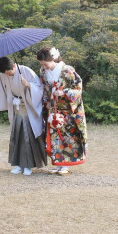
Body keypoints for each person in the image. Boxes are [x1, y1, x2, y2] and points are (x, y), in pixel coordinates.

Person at [37, 47, 87, 175]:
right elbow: (44, 89)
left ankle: (65, 165)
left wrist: (64, 92)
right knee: (55, 138)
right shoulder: (43, 72)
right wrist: (47, 102)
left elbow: (78, 89)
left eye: (45, 64)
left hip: (67, 110)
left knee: (67, 138)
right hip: (53, 110)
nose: (44, 67)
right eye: (42, 64)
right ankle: (59, 164)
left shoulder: (67, 70)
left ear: (53, 59)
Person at [0, 56, 47, 175]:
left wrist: (28, 85)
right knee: (16, 136)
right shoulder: (3, 75)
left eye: (9, 73)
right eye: (6, 74)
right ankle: (19, 164)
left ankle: (28, 165)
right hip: (15, 107)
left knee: (27, 136)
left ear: (14, 66)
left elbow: (40, 88)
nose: (8, 75)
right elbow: (3, 90)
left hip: (28, 108)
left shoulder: (26, 71)